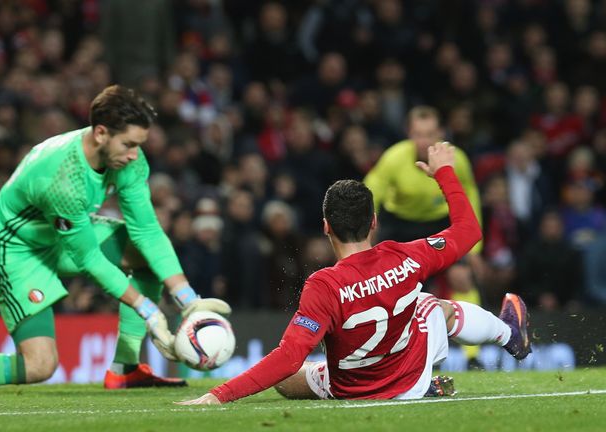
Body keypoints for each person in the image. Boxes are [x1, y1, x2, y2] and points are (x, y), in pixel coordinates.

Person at [0, 85, 229, 397]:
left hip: (62, 230)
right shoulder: (62, 178)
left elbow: (148, 232)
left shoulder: (127, 160)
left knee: (145, 255)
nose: (135, 155)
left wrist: (186, 299)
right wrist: (149, 310)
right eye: (129, 145)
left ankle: (125, 370)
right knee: (39, 366)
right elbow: (90, 260)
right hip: (13, 248)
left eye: (139, 145)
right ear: (100, 133)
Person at [178, 141, 530, 405]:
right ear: (374, 222)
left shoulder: (324, 285)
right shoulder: (407, 257)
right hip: (408, 376)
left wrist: (219, 395)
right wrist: (445, 173)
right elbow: (469, 230)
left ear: (326, 227)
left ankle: (447, 368)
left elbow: (287, 358)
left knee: (285, 381)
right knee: (431, 307)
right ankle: (506, 333)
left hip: (351, 387)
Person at [363, 105, 485, 365]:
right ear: (409, 133)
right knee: (392, 289)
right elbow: (369, 195)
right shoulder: (393, 159)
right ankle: (387, 353)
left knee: (462, 278)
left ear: (440, 132)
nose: (424, 140)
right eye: (418, 133)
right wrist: (365, 240)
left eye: (430, 133)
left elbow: (469, 196)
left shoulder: (455, 159)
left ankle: (473, 358)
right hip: (400, 227)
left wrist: (474, 248)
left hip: (440, 224)